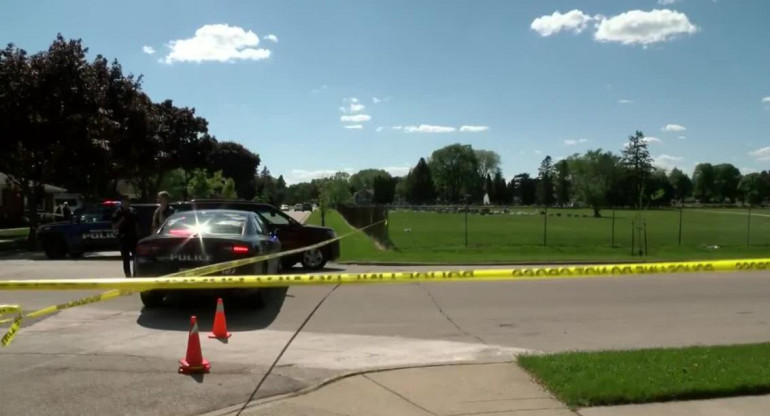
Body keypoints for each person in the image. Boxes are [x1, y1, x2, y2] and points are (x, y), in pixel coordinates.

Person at [112, 195, 139, 277]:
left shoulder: (133, 211)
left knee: (135, 257)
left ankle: (135, 274)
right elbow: (114, 225)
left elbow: (137, 224)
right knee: (126, 259)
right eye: (124, 202)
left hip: (133, 237)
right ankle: (128, 275)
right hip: (123, 238)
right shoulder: (118, 212)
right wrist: (122, 219)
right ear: (121, 203)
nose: (126, 203)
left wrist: (138, 235)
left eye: (127, 202)